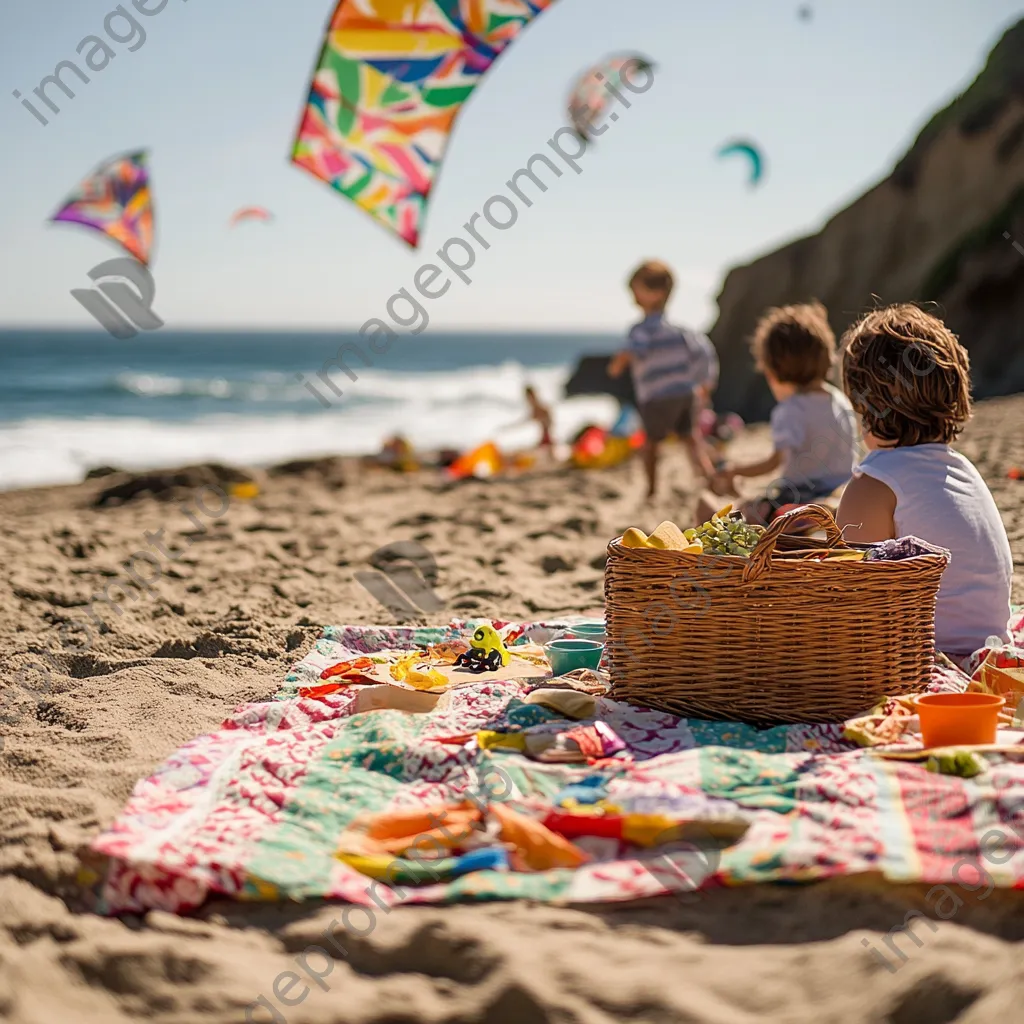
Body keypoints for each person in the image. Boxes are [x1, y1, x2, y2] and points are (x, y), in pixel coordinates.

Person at [836, 304, 1013, 659]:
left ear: (865, 407)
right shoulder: (962, 469)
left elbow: (847, 596)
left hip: (929, 659)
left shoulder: (873, 484)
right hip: (989, 649)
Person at [698, 302, 858, 525]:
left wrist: (735, 471)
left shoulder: (791, 409)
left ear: (774, 372)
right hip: (845, 492)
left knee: (739, 509)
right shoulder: (839, 399)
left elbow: (773, 462)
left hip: (802, 495)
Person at [608, 260, 718, 499]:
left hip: (656, 396)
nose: (632, 297)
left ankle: (651, 489)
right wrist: (705, 383)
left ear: (655, 294)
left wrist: (617, 365)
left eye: (636, 290)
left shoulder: (641, 330)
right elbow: (704, 355)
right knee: (691, 438)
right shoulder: (681, 331)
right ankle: (708, 477)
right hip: (686, 392)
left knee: (651, 444)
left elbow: (633, 350)